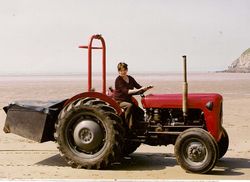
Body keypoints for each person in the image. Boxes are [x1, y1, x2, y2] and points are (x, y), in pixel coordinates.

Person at [114, 62, 152, 129]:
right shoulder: (118, 80)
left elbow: (138, 87)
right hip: (119, 101)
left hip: (128, 100)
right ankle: (127, 127)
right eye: (120, 70)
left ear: (127, 70)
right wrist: (140, 89)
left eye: (124, 70)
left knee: (141, 112)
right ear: (118, 71)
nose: (122, 72)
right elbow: (127, 91)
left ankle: (139, 128)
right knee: (129, 106)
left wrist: (146, 88)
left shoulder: (130, 78)